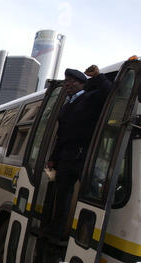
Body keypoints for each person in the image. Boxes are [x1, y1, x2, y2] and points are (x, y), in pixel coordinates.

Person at [45, 65, 112, 242]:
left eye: (70, 82)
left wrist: (99, 77)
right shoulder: (66, 106)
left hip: (85, 157)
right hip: (66, 156)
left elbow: (110, 93)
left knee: (90, 197)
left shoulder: (90, 98)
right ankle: (57, 231)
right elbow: (61, 136)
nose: (67, 85)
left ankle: (86, 235)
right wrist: (53, 158)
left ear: (81, 83)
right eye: (65, 82)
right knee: (62, 197)